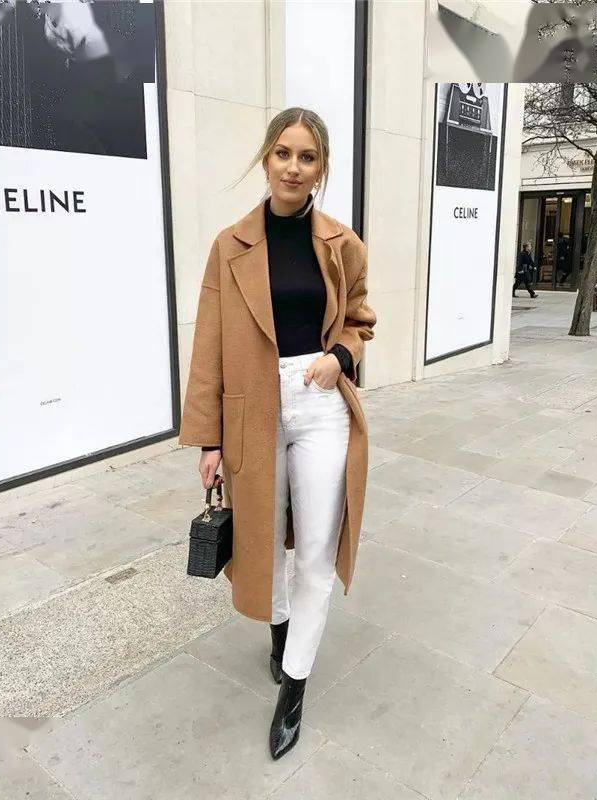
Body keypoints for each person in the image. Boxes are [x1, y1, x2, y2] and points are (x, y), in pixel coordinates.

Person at [178, 107, 377, 761]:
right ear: (266, 158)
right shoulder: (230, 245)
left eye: (307, 157)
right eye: (283, 153)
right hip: (253, 408)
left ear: (321, 168)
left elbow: (359, 320)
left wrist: (340, 357)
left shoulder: (343, 244)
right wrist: (208, 440)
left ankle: (294, 686)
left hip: (321, 405)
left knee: (315, 549)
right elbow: (208, 347)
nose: (294, 167)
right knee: (263, 541)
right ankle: (280, 628)